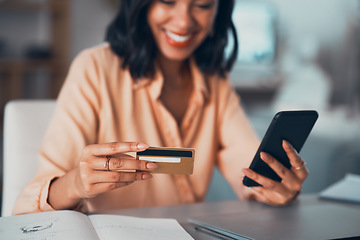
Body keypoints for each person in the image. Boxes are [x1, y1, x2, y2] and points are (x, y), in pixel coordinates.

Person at [13, 0, 308, 215]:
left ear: (219, 11)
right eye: (167, 1)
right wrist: (76, 183)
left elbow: (249, 174)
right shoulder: (94, 68)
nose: (183, 21)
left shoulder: (215, 81)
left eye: (202, 5)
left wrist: (276, 187)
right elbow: (28, 207)